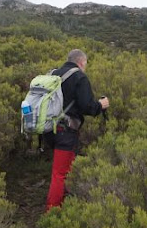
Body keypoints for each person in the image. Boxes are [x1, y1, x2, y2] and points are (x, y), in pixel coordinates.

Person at [43, 49, 109, 210]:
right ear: (81, 62)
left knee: (66, 168)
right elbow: (87, 106)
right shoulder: (80, 77)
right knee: (60, 174)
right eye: (85, 64)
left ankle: (65, 203)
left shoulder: (53, 74)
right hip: (65, 132)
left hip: (48, 129)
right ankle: (52, 213)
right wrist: (101, 105)